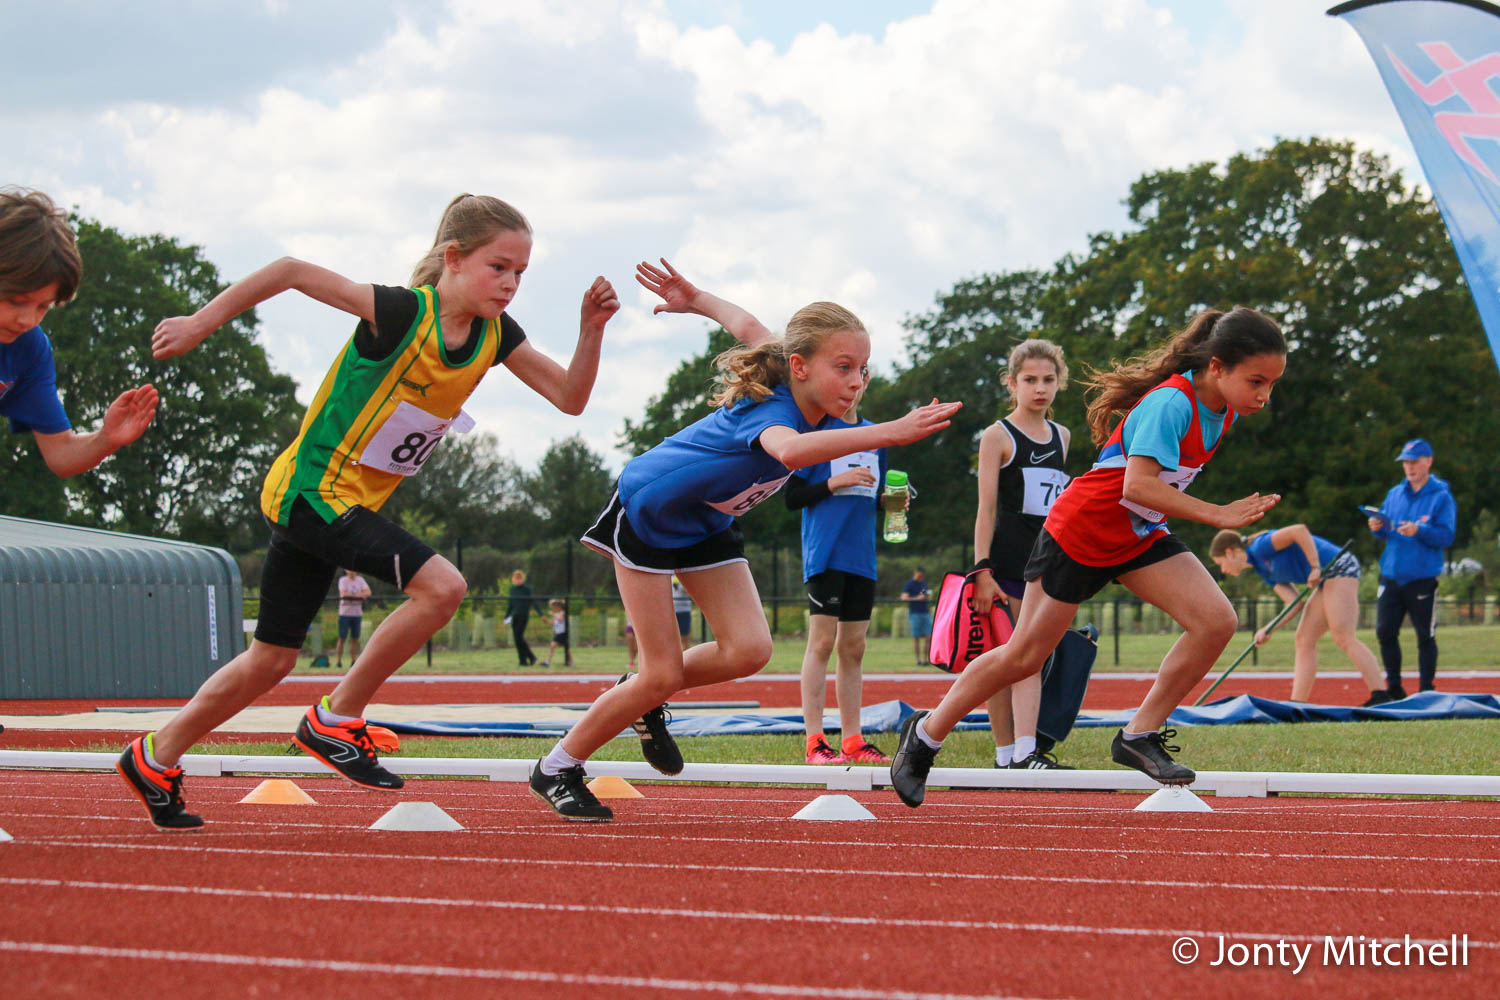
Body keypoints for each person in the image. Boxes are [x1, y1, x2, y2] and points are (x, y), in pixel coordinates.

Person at [116, 193, 619, 830]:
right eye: (500, 268)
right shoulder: (403, 311)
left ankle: (155, 758)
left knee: (271, 658)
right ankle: (334, 719)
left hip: (338, 506)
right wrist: (198, 323)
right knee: (443, 587)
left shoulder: (495, 336)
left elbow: (570, 398)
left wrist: (591, 331)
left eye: (522, 272)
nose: (512, 284)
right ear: (455, 259)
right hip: (312, 492)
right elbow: (291, 270)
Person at [529, 257, 960, 821]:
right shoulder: (778, 407)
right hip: (648, 514)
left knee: (750, 650)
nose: (857, 381)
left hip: (706, 520)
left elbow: (747, 325)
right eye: (845, 367)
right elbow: (791, 454)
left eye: (864, 369)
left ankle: (639, 694)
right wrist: (891, 432)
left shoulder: (808, 389)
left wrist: (695, 296)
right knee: (660, 672)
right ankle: (557, 766)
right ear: (801, 366)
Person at [891, 306, 1286, 806]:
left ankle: (1138, 734)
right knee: (1023, 656)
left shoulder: (1223, 409)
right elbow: (1136, 482)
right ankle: (924, 736)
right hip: (1080, 533)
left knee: (1215, 621)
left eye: (1272, 384)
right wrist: (1217, 514)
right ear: (1217, 368)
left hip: (1136, 533)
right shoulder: (1173, 403)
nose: (1264, 396)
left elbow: (1149, 491)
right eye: (1256, 381)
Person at [1, 188, 158, 480]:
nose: (27, 320)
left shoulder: (29, 350)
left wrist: (106, 438)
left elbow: (60, 453)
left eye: (42, 307)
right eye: (16, 301)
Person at [970, 339, 1074, 769]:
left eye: (1048, 380)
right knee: (1006, 656)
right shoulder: (997, 436)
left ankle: (1022, 750)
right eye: (1030, 380)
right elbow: (986, 508)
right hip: (1006, 563)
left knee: (1030, 655)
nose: (1040, 388)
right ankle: (1012, 753)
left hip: (1048, 561)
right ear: (1012, 384)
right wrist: (982, 569)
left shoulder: (1063, 437)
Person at [785, 375, 895, 766]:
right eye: (844, 377)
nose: (852, 387)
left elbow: (871, 496)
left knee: (855, 648)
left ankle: (853, 740)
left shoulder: (875, 437)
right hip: (825, 554)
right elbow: (791, 497)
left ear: (866, 382)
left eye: (860, 378)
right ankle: (815, 741)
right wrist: (835, 481)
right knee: (821, 643)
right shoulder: (815, 434)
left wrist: (891, 502)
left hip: (862, 556)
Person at [1209, 526, 1388, 705]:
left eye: (1220, 563)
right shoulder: (1261, 568)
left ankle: (1380, 694)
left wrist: (1315, 567)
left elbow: (1299, 531)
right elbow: (1294, 603)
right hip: (1325, 578)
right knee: (1304, 639)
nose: (1223, 570)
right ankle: (1298, 703)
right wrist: (1269, 628)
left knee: (1342, 636)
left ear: (1230, 552)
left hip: (1339, 566)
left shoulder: (1260, 546)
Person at [1368, 438, 1456, 698]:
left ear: (1428, 461)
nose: (1410, 467)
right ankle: (1394, 688)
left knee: (1425, 636)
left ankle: (1427, 691)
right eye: (1406, 462)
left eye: (1415, 461)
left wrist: (1420, 530)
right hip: (1391, 574)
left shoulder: (1442, 496)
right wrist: (1377, 528)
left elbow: (1447, 536)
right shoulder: (1395, 493)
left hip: (1422, 577)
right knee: (1384, 632)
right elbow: (1385, 528)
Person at [334, 568, 372, 669]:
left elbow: (368, 592)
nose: (352, 571)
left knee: (355, 638)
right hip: (344, 613)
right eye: (349, 569)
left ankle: (353, 661)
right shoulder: (342, 580)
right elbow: (343, 594)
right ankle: (338, 661)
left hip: (357, 614)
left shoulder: (360, 580)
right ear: (346, 570)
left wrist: (353, 596)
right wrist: (359, 596)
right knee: (342, 638)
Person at [899, 569, 932, 665]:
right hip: (915, 613)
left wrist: (927, 597)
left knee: (928, 636)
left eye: (922, 576)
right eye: (919, 575)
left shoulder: (924, 584)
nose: (920, 577)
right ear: (915, 573)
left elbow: (926, 594)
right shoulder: (909, 584)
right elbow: (903, 597)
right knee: (916, 637)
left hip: (925, 612)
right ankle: (918, 660)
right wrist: (917, 598)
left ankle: (926, 659)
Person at [506, 569, 537, 666]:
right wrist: (507, 615)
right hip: (515, 616)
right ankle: (522, 660)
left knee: (519, 637)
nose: (518, 580)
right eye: (516, 578)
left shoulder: (526, 589)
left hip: (523, 616)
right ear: (513, 579)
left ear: (522, 579)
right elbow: (510, 604)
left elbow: (533, 602)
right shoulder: (512, 590)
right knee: (516, 639)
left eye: (519, 578)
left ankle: (531, 656)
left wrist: (541, 614)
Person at [543, 598, 573, 667]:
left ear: (558, 607)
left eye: (553, 608)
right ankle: (571, 662)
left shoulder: (563, 612)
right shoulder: (556, 614)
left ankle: (547, 661)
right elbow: (553, 623)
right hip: (558, 633)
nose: (553, 609)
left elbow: (560, 619)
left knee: (552, 646)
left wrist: (553, 615)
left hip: (562, 633)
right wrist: (546, 621)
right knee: (565, 648)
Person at [671, 576, 693, 649]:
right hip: (673, 611)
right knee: (672, 636)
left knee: (685, 635)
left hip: (685, 610)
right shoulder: (669, 578)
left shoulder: (686, 578)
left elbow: (692, 593)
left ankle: (687, 654)